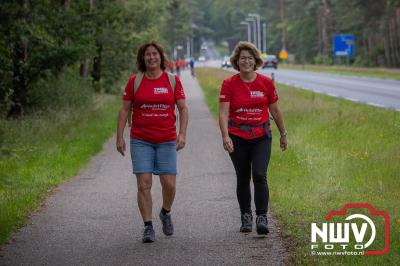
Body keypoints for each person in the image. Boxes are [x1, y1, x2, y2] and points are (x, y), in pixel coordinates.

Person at [116, 41, 189, 243]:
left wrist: (182, 134)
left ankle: (165, 212)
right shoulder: (134, 81)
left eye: (154, 54)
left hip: (166, 139)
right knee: (144, 184)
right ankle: (148, 226)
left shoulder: (172, 80)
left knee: (169, 184)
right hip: (141, 140)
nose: (151, 57)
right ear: (143, 58)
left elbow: (183, 109)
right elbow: (124, 110)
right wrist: (119, 136)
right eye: (147, 54)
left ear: (160, 57)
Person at [218, 41, 287, 235]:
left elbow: (274, 109)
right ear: (236, 62)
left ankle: (262, 217)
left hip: (261, 136)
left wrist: (283, 133)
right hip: (237, 137)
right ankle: (246, 216)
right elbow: (223, 113)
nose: (246, 62)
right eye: (242, 59)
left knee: (259, 174)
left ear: (255, 61)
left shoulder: (265, 83)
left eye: (250, 58)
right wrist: (225, 136)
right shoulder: (229, 84)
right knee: (242, 177)